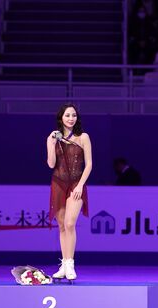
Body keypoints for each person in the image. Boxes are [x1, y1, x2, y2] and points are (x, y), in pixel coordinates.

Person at [47, 103, 92, 281]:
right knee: (61, 226)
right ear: (61, 118)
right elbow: (51, 164)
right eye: (67, 115)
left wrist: (81, 185)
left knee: (70, 223)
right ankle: (64, 265)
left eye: (73, 115)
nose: (71, 118)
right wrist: (51, 143)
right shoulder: (53, 137)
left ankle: (71, 263)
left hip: (76, 183)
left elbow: (89, 164)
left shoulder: (83, 137)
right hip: (58, 183)